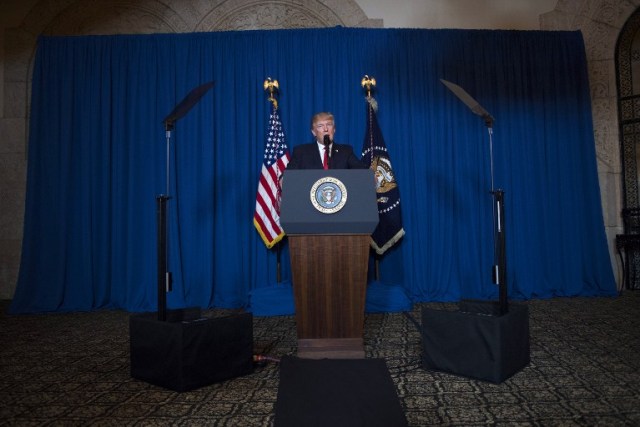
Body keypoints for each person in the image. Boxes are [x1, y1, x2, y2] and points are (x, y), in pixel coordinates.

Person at [286, 112, 368, 170]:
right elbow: (287, 177)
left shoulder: (345, 151)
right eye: (320, 126)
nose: (325, 129)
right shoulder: (301, 152)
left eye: (329, 125)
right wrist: (283, 179)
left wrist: (370, 176)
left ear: (334, 129)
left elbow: (363, 173)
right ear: (314, 132)